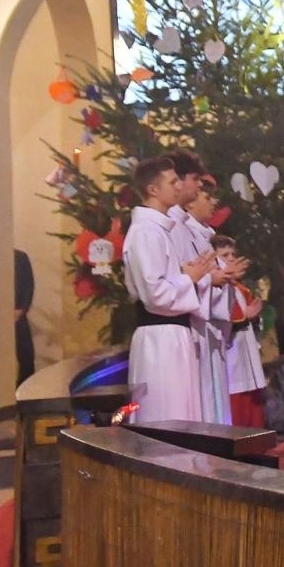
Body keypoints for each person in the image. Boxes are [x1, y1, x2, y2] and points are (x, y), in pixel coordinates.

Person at [121, 156, 222, 422]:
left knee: (182, 412)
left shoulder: (159, 228)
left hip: (173, 335)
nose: (179, 186)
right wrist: (188, 278)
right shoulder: (145, 232)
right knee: (165, 414)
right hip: (159, 338)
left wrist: (193, 276)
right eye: (173, 181)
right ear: (153, 190)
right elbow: (154, 294)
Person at [164, 149, 232, 425]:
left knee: (209, 399)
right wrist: (209, 279)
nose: (197, 186)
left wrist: (216, 278)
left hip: (202, 323)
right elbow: (176, 276)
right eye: (195, 181)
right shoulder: (169, 226)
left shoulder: (188, 228)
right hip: (185, 326)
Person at [210, 232, 267, 428]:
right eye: (225, 256)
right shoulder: (216, 288)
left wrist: (255, 316)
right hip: (230, 355)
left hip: (246, 353)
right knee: (236, 403)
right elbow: (216, 318)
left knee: (251, 399)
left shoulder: (240, 288)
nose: (232, 259)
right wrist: (244, 318)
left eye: (233, 255)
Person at [13, 248, 34, 387]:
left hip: (17, 315)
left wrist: (21, 310)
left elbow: (29, 285)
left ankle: (25, 392)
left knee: (26, 355)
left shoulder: (20, 257)